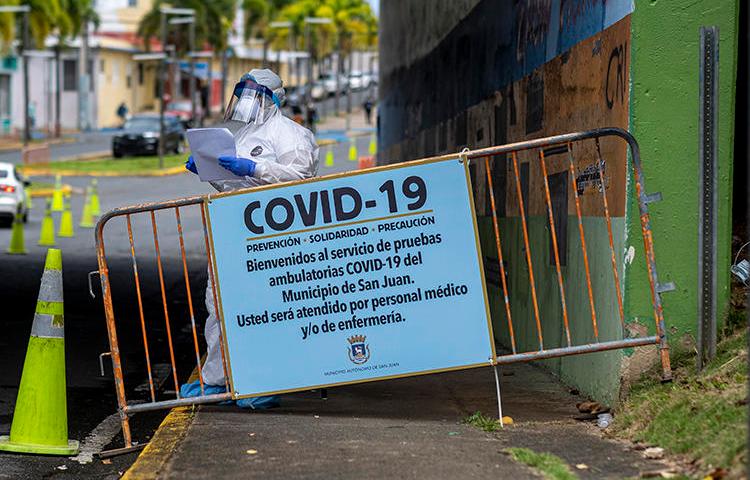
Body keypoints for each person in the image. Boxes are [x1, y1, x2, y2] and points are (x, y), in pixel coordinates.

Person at [182, 68, 319, 408]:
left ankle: (265, 380)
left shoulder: (291, 135)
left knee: (265, 306)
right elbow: (234, 187)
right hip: (231, 230)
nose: (247, 101)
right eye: (242, 93)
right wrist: (209, 172)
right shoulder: (240, 135)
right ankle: (218, 380)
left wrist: (254, 168)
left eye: (254, 94)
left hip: (271, 235)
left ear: (273, 98)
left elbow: (300, 177)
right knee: (220, 306)